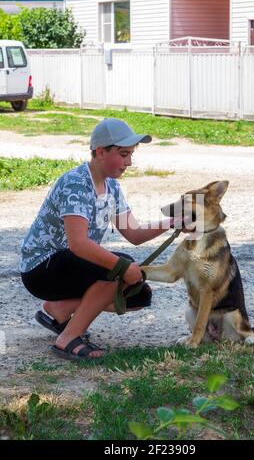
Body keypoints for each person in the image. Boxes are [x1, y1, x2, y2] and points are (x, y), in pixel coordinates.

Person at [20, 118, 183, 361]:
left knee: (138, 294)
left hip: (70, 263)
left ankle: (59, 309)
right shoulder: (76, 183)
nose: (129, 162)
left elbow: (134, 233)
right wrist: (121, 267)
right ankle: (67, 339)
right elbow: (78, 243)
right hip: (41, 268)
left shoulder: (112, 188)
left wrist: (174, 222)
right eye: (123, 154)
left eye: (130, 155)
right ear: (100, 152)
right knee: (119, 270)